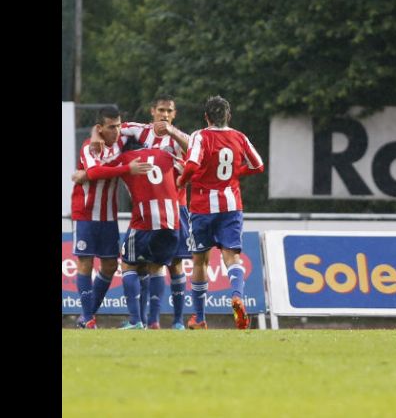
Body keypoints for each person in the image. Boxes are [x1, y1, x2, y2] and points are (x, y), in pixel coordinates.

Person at [85, 95, 192, 330]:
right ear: (153, 111)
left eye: (169, 111)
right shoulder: (140, 131)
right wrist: (95, 134)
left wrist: (172, 132)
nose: (164, 115)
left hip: (174, 207)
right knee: (156, 265)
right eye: (161, 110)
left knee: (170, 264)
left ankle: (161, 320)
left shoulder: (177, 137)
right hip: (167, 212)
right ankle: (152, 320)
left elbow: (192, 149)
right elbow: (112, 128)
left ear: (174, 114)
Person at [176, 96, 264, 330]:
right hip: (231, 205)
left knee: (200, 261)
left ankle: (199, 317)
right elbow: (258, 165)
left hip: (203, 206)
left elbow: (193, 164)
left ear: (206, 117)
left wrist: (182, 180)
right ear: (229, 116)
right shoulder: (239, 136)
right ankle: (237, 296)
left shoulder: (200, 136)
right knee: (232, 257)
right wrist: (236, 173)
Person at [70, 107, 151, 329]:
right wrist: (127, 168)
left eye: (118, 125)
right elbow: (94, 172)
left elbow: (143, 131)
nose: (116, 131)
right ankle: (88, 318)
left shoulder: (121, 140)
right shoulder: (90, 146)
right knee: (85, 262)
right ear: (100, 128)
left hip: (109, 216)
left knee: (108, 266)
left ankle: (87, 316)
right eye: (111, 127)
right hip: (86, 213)